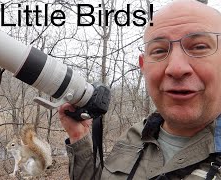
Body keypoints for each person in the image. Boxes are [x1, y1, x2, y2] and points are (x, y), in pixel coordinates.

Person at [58, 0, 221, 179]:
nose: (176, 68)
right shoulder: (134, 137)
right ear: (143, 66)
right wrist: (79, 137)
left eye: (199, 47)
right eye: (159, 50)